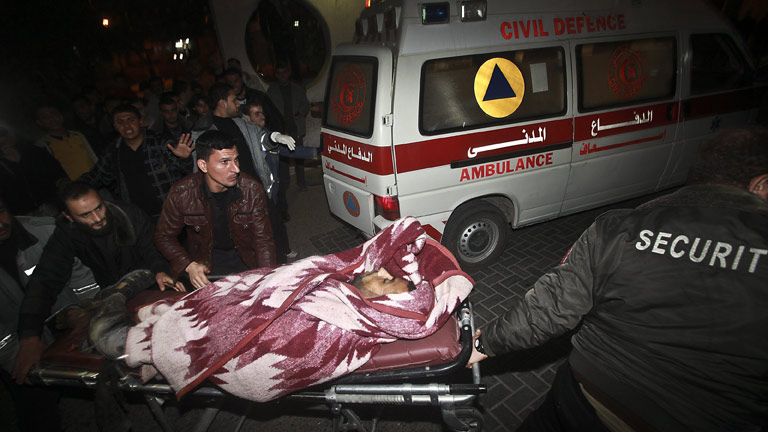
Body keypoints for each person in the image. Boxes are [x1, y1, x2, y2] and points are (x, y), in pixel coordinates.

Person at [467, 126, 768, 431]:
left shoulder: (620, 227)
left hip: (585, 396)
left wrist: (483, 343)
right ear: (761, 185)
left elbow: (552, 305)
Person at [11, 181, 179, 384]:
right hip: (115, 299)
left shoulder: (129, 214)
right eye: (86, 215)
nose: (98, 218)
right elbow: (44, 280)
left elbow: (153, 249)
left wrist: (161, 270)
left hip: (153, 289)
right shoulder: (66, 233)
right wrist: (29, 336)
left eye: (99, 208)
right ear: (68, 217)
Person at [0, 195, 99, 431]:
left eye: (0, 211)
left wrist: (89, 312)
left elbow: (83, 279)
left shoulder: (46, 232)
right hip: (16, 342)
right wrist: (16, 356)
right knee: (36, 410)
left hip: (68, 321)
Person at [154, 130, 277, 290]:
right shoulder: (182, 193)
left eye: (236, 160)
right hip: (206, 267)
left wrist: (267, 278)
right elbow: (163, 236)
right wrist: (188, 265)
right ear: (203, 165)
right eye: (225, 162)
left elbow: (263, 240)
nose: (235, 169)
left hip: (246, 263)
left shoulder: (251, 189)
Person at [79, 104, 194, 220]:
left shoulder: (161, 142)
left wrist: (185, 158)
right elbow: (97, 176)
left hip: (170, 211)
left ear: (140, 121)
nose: (126, 126)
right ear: (114, 126)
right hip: (138, 217)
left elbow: (186, 171)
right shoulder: (113, 151)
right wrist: (73, 188)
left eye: (131, 120)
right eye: (120, 122)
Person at [0, 120, 68, 216]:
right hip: (24, 216)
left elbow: (58, 174)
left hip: (56, 208)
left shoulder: (35, 151)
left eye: (3, 132)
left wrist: (63, 186)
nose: (3, 138)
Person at [267, 61, 311, 192]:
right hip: (281, 129)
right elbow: (269, 110)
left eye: (285, 73)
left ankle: (301, 182)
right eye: (279, 73)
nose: (282, 76)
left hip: (296, 128)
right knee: (283, 159)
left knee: (299, 157)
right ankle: (285, 183)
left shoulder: (298, 88)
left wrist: (300, 112)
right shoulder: (272, 91)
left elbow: (306, 105)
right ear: (276, 75)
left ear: (289, 73)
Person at [34, 104, 98, 181]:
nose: (51, 118)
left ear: (61, 116)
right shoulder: (43, 147)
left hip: (98, 180)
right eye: (45, 117)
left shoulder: (78, 135)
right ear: (39, 122)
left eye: (53, 113)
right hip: (77, 186)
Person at [223, 67, 284, 132]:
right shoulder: (227, 103)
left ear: (241, 79)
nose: (234, 85)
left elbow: (275, 118)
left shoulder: (258, 96)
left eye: (236, 81)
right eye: (230, 83)